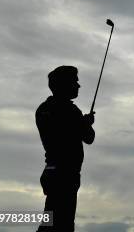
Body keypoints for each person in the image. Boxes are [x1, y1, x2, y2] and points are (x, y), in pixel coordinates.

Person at [35, 66, 95, 232]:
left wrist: (82, 123)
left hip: (52, 171)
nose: (78, 85)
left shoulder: (43, 109)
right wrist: (86, 123)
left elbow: (67, 130)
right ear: (65, 84)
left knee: (52, 220)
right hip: (66, 174)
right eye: (75, 81)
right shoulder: (70, 111)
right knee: (63, 224)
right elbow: (89, 138)